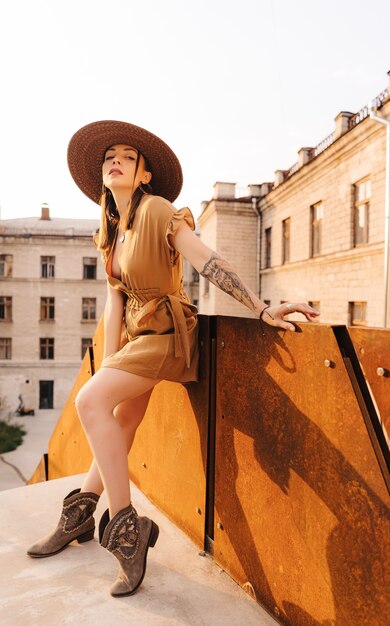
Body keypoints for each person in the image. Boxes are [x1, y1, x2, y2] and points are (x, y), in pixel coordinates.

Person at [26, 120, 320, 596]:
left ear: (144, 174)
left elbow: (206, 259)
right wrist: (109, 363)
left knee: (89, 403)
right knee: (118, 418)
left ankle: (125, 531)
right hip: (137, 337)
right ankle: (81, 515)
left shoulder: (159, 210)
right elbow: (114, 303)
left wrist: (262, 308)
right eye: (108, 157)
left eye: (127, 155)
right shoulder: (111, 232)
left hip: (168, 335)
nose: (115, 160)